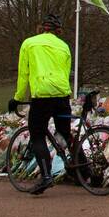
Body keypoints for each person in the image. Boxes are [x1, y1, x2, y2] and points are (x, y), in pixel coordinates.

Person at [8, 12, 74, 195]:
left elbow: (24, 74)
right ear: (57, 31)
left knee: (37, 134)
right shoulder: (64, 46)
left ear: (41, 28)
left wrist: (18, 98)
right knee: (65, 134)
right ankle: (85, 172)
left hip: (43, 96)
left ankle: (46, 176)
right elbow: (65, 71)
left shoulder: (29, 44)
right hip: (62, 94)